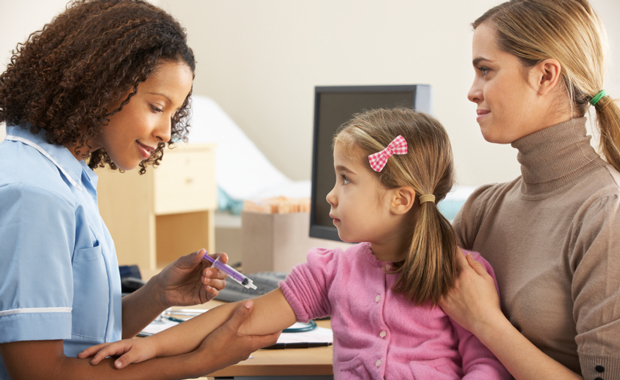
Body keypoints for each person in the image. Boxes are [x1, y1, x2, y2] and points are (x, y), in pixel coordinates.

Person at [79, 108, 511, 379]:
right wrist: (150, 345)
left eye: (346, 179)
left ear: (400, 199)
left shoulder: (462, 277)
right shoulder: (333, 270)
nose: (330, 195)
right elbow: (243, 314)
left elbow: (486, 365)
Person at [0, 1, 278, 379]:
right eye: (156, 106)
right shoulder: (36, 195)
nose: (166, 132)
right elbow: (40, 373)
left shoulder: (64, 178)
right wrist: (198, 362)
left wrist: (158, 294)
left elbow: (85, 339)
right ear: (101, 84)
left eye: (173, 113)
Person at [437, 0, 620, 379]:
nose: (473, 91)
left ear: (545, 76)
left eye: (486, 70)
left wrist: (487, 323)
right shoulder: (483, 208)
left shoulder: (605, 214)